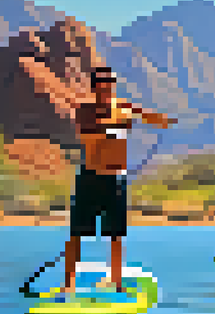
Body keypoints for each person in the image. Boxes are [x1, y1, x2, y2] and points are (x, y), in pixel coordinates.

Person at [21, 58, 175, 297]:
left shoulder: (123, 107)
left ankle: (116, 283)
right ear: (94, 88)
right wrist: (119, 124)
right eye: (101, 85)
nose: (106, 88)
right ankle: (68, 285)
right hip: (91, 177)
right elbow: (90, 136)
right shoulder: (85, 111)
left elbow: (145, 115)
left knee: (116, 234)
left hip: (116, 179)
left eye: (110, 84)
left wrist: (161, 120)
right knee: (77, 233)